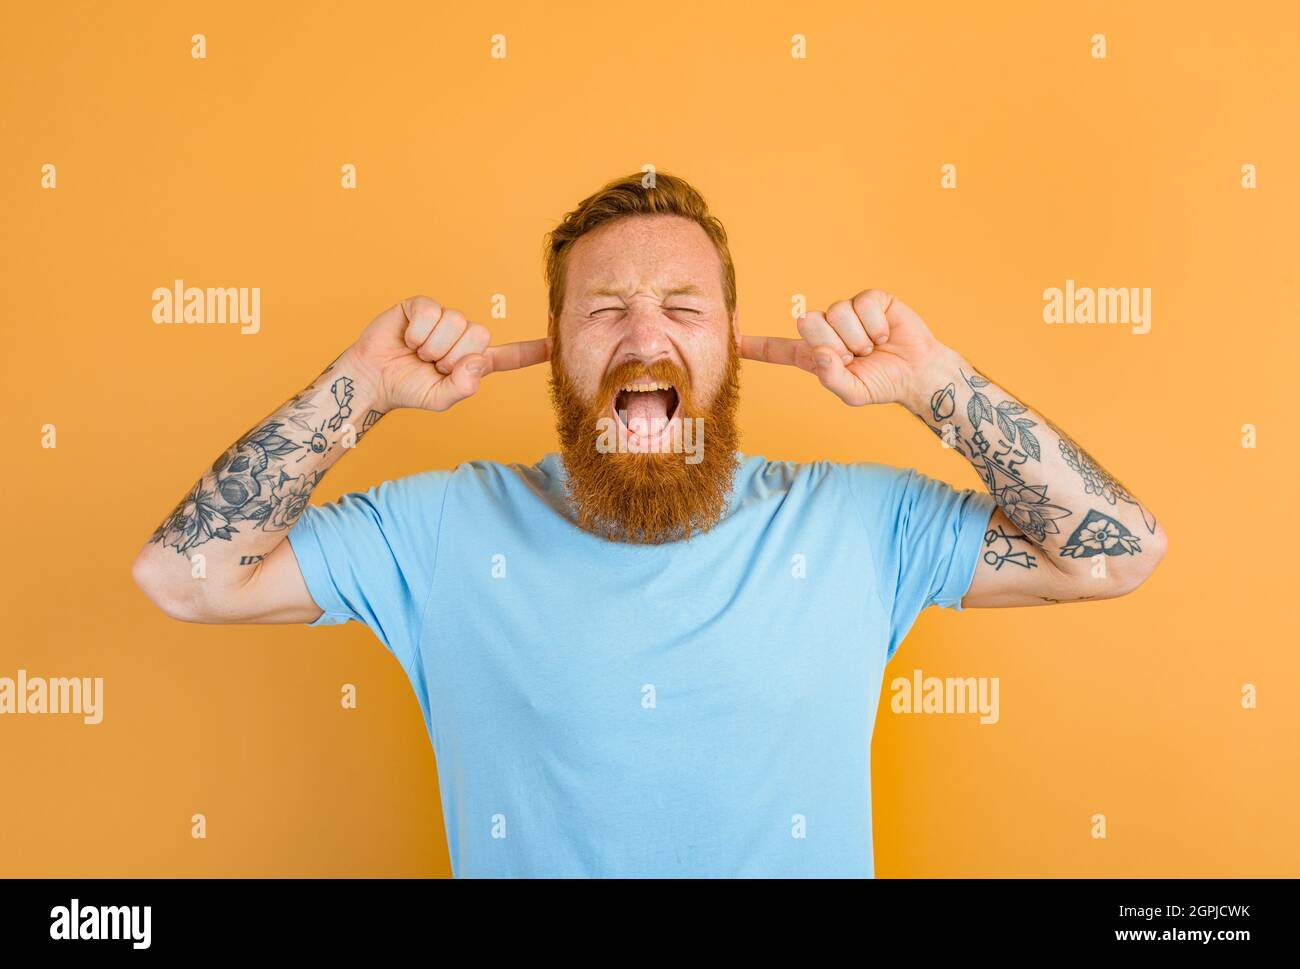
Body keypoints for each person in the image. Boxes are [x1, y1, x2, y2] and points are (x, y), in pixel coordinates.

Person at [132, 171, 1167, 877]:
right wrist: (359, 386)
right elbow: (188, 578)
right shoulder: (439, 531)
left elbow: (1115, 554)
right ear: (552, 348)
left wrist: (935, 382)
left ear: (728, 344)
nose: (643, 335)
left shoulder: (859, 523)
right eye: (602, 309)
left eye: (683, 307)